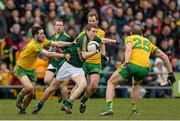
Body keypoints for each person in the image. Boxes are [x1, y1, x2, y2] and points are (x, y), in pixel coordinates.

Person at [100, 25, 176, 116]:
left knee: (111, 82)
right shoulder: (148, 42)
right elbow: (164, 56)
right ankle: (134, 110)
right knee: (136, 84)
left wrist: (127, 62)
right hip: (145, 69)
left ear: (131, 33)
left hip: (132, 65)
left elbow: (128, 50)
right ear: (142, 34)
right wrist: (171, 73)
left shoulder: (130, 38)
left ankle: (109, 109)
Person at [32, 24, 101, 114]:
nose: (95, 33)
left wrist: (114, 42)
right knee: (52, 88)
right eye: (93, 31)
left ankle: (68, 103)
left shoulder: (94, 38)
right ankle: (39, 105)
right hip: (67, 65)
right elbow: (84, 55)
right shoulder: (83, 38)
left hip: (78, 67)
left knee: (83, 85)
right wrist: (95, 51)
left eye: (96, 32)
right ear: (87, 31)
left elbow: (102, 40)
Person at [14, 26, 72, 114]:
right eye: (41, 34)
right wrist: (63, 56)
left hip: (30, 69)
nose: (43, 35)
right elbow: (48, 54)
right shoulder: (33, 45)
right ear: (35, 36)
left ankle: (22, 110)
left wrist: (71, 43)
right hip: (20, 68)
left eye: (43, 33)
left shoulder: (42, 40)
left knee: (31, 93)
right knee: (29, 88)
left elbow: (57, 44)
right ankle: (20, 96)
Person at [78, 11, 117, 113]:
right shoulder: (83, 33)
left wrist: (103, 54)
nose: (91, 22)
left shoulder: (101, 32)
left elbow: (102, 43)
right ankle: (68, 103)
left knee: (94, 86)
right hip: (84, 62)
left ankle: (84, 100)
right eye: (89, 21)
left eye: (93, 21)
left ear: (97, 21)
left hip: (96, 62)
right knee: (82, 86)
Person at [44, 19, 73, 103]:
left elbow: (71, 50)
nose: (58, 27)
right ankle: (58, 92)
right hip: (53, 62)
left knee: (62, 86)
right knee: (47, 80)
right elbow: (52, 47)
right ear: (54, 26)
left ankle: (65, 104)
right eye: (57, 25)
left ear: (63, 27)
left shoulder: (67, 37)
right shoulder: (53, 36)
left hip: (62, 64)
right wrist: (48, 51)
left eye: (60, 25)